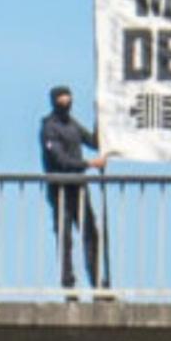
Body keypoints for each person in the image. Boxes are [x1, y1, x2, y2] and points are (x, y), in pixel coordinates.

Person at [40, 85, 109, 295]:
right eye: (61, 99)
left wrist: (101, 118)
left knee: (91, 233)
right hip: (59, 188)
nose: (65, 102)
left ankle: (97, 281)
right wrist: (88, 164)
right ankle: (68, 281)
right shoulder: (49, 127)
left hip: (78, 188)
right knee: (65, 235)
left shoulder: (72, 125)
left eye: (68, 98)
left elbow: (94, 142)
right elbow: (60, 159)